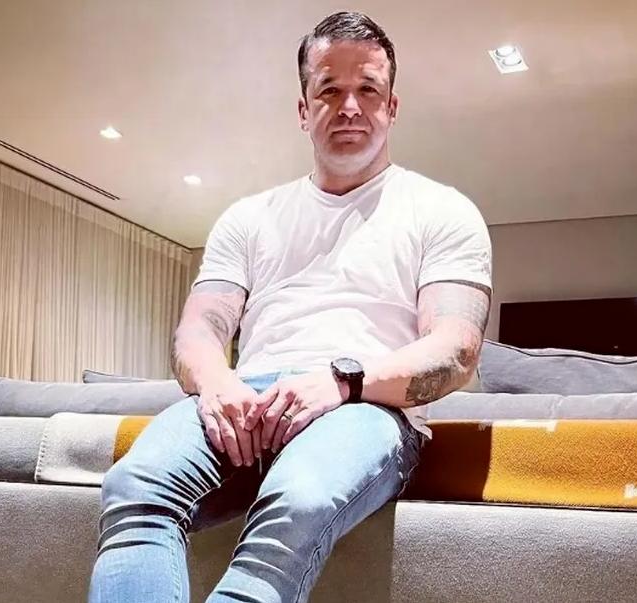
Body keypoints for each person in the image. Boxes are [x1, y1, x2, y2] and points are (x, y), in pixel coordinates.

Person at [88, 11, 492, 603]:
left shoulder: (442, 210)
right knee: (134, 487)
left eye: (368, 90)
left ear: (392, 106)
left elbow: (455, 350)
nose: (349, 106)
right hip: (247, 403)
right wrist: (217, 383)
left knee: (298, 501)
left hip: (366, 406)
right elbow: (199, 328)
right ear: (304, 109)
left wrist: (341, 383)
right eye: (329, 89)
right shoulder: (248, 218)